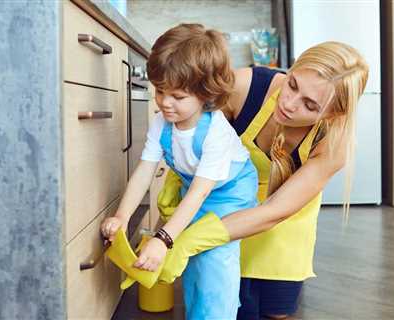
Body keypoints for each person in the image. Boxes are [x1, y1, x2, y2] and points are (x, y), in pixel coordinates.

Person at [156, 41, 369, 320]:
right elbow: (190, 133)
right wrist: (177, 185)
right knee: (216, 305)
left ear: (333, 114)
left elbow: (273, 212)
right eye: (292, 85)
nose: (289, 104)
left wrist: (189, 240)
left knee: (274, 312)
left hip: (280, 229)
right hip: (219, 210)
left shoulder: (333, 145)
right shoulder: (244, 88)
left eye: (310, 105)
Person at [100, 23, 258, 320]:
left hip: (229, 197)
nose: (165, 103)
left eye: (178, 97)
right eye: (159, 91)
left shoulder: (216, 133)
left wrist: (163, 238)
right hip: (195, 191)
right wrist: (121, 217)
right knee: (192, 261)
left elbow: (200, 193)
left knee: (214, 264)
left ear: (206, 94)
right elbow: (144, 172)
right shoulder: (162, 123)